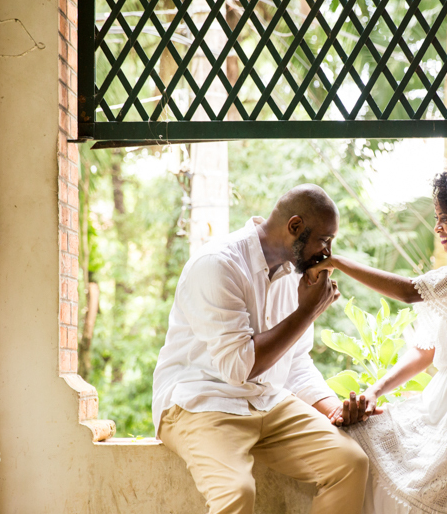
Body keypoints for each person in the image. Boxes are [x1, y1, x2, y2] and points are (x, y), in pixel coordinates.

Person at [307, 155, 447, 514]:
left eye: (445, 217)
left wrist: (338, 262)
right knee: (360, 438)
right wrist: (374, 391)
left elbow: (410, 290)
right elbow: (425, 352)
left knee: (418, 502)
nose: (437, 227)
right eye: (436, 218)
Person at [152, 184, 369, 514]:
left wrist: (333, 408)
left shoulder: (294, 276)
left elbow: (295, 361)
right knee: (236, 493)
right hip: (201, 402)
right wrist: (307, 311)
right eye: (324, 240)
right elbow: (239, 368)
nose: (328, 252)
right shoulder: (217, 265)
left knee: (350, 463)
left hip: (267, 401)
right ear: (294, 227)